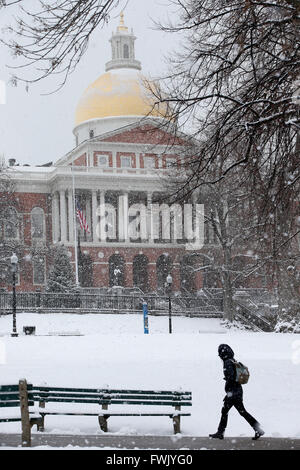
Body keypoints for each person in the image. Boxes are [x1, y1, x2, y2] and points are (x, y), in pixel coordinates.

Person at [209, 344, 264, 440]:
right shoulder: (233, 360)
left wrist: (229, 393)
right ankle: (257, 428)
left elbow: (231, 378)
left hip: (233, 392)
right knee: (241, 412)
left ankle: (220, 432)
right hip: (237, 390)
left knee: (226, 411)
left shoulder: (227, 362)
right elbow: (234, 376)